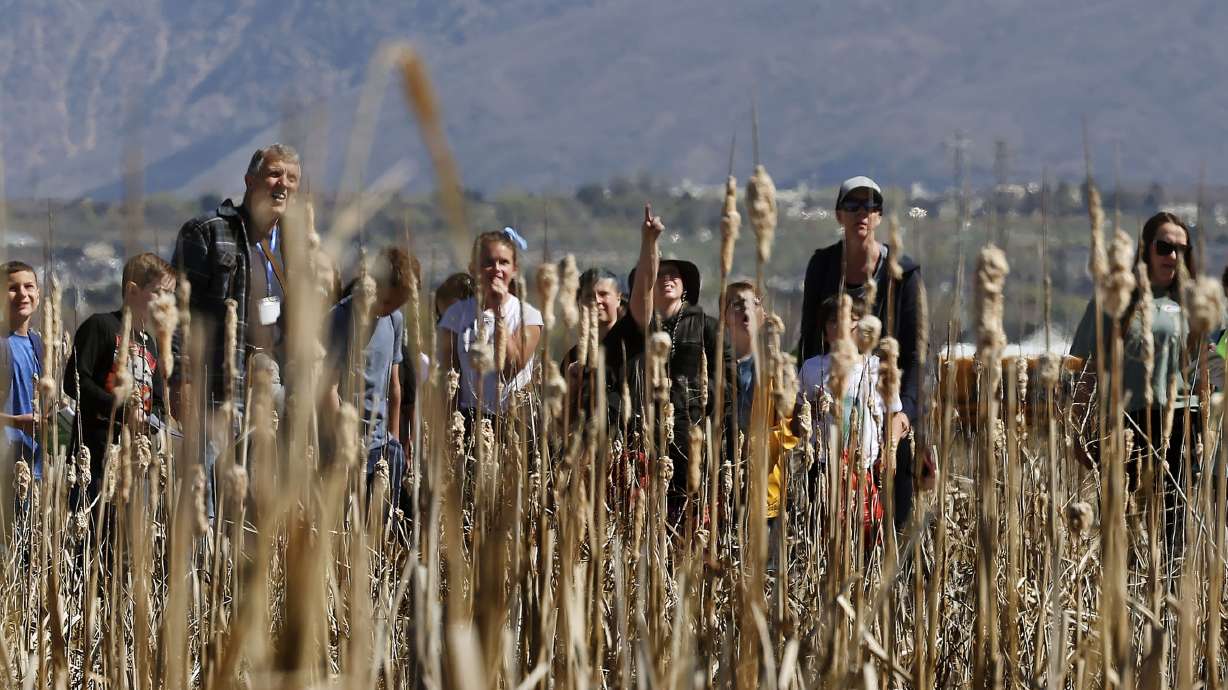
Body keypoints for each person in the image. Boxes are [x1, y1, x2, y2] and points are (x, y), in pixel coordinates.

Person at [171, 143, 301, 514]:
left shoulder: (295, 246)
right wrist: (182, 379)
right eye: (275, 174)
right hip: (217, 387)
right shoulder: (208, 232)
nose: (283, 185)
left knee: (259, 501)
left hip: (270, 389)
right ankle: (196, 568)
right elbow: (182, 313)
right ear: (249, 180)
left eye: (292, 179)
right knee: (203, 497)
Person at [1070, 211, 1200, 551]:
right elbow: (1085, 369)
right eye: (1164, 247)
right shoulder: (1115, 299)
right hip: (1124, 425)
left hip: (1181, 423)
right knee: (1120, 528)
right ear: (1146, 249)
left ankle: (1169, 598)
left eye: (1182, 250)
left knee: (1175, 528)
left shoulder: (1193, 304)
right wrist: (1078, 428)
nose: (1173, 257)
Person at [797, 176, 922, 530]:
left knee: (889, 520)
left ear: (879, 216)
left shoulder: (903, 274)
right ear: (839, 215)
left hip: (887, 411)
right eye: (852, 206)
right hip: (830, 418)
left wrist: (907, 415)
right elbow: (809, 337)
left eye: (869, 206)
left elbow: (915, 354)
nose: (860, 214)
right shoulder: (822, 266)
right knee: (827, 525)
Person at [603, 204, 734, 527]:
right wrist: (650, 243)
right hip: (643, 444)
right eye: (660, 273)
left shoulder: (706, 326)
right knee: (642, 527)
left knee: (693, 530)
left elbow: (727, 380)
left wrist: (703, 414)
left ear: (686, 284)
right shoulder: (635, 328)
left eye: (674, 273)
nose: (667, 279)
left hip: (694, 445)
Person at [65, 254, 174, 503]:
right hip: (94, 453)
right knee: (93, 528)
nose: (167, 302)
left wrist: (152, 419)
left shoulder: (152, 345)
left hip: (133, 458)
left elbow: (156, 399)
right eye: (160, 292)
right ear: (132, 291)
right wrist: (121, 409)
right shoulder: (101, 326)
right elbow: (74, 381)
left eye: (171, 295)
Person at [323, 247, 415, 510]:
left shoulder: (394, 320)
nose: (385, 311)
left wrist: (394, 440)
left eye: (395, 306)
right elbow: (328, 388)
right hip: (346, 444)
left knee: (382, 523)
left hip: (382, 445)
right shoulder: (339, 318)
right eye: (385, 303)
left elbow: (394, 384)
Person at [438, 230, 543, 418]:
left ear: (515, 268)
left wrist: (498, 311)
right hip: (469, 420)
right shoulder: (455, 315)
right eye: (487, 263)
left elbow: (510, 369)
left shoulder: (528, 316)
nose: (496, 269)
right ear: (473, 269)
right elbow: (448, 377)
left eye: (503, 262)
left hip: (514, 420)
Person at [0, 261, 45, 481]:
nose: (22, 294)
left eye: (28, 286)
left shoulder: (37, 344)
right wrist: (16, 421)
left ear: (38, 293)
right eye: (12, 288)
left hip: (31, 466)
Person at [725, 280, 763, 431]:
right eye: (737, 304)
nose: (746, 308)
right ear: (723, 315)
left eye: (754, 303)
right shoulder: (712, 366)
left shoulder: (774, 368)